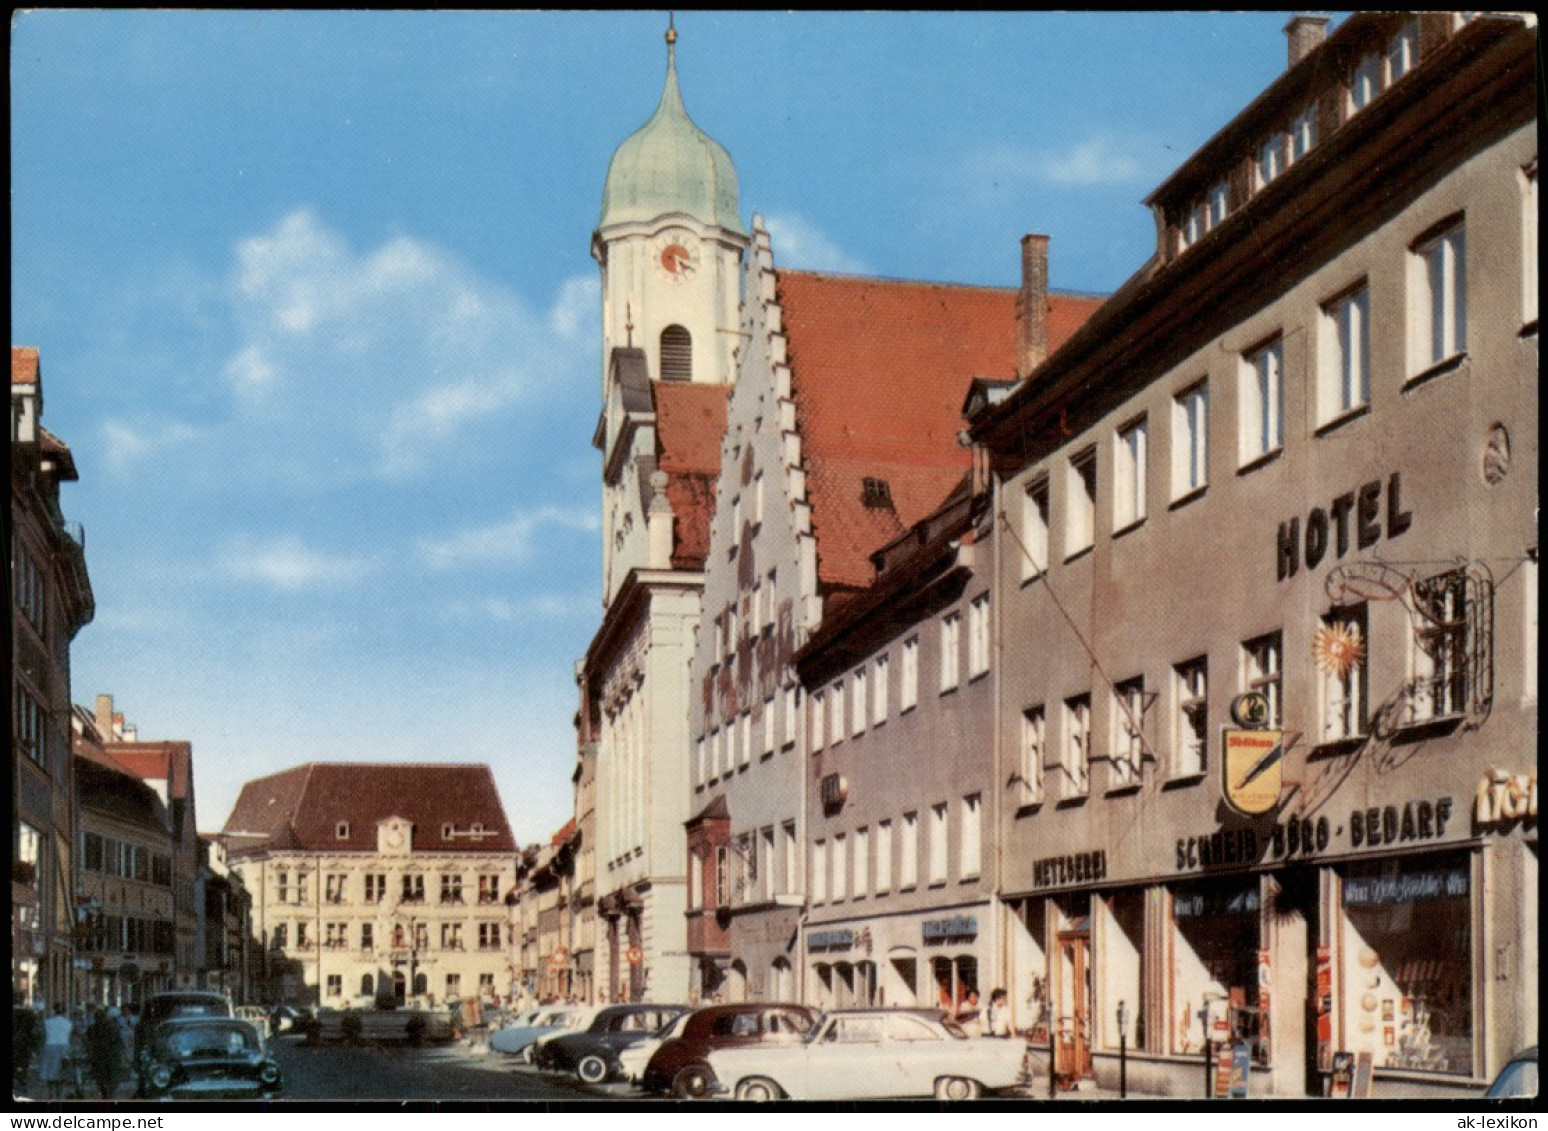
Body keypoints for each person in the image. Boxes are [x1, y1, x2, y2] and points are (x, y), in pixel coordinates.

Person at [85, 1006, 124, 1099]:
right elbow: (119, 1042)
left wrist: (89, 1052)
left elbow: (87, 1041)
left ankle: (105, 1094)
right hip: (111, 1056)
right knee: (111, 1079)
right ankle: (109, 1094)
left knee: (101, 1079)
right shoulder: (112, 1027)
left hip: (99, 1057)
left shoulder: (92, 1028)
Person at [38, 1003, 72, 1100]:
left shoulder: (47, 1022)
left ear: (54, 1010)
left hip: (50, 1046)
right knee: (61, 1072)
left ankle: (50, 1094)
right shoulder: (68, 1023)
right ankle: (59, 1095)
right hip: (64, 1048)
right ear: (64, 1012)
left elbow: (42, 1035)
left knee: (50, 1073)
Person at [13, 999, 43, 1092]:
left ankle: (18, 1079)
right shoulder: (29, 1013)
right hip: (25, 1042)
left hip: (15, 1041)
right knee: (24, 1063)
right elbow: (33, 1029)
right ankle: (23, 1081)